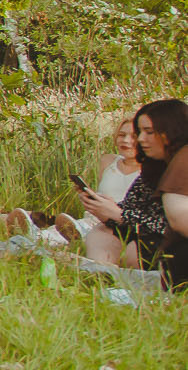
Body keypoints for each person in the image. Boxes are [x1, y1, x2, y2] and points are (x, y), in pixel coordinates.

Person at [43, 113, 142, 259]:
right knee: (61, 229)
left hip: (117, 222)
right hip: (94, 215)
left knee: (82, 229)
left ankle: (73, 236)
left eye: (133, 136)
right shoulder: (108, 161)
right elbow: (103, 191)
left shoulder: (151, 170)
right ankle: (32, 232)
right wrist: (89, 195)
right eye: (122, 135)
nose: (126, 140)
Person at [112, 99, 188, 288]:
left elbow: (178, 217)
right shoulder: (164, 165)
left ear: (172, 131)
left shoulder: (183, 157)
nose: (140, 139)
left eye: (149, 132)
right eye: (140, 132)